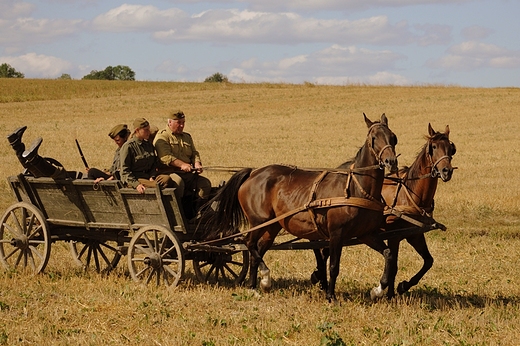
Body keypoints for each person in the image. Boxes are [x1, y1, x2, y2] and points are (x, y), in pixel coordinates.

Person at [153, 110, 211, 213]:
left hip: (188, 173)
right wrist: (182, 165)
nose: (181, 126)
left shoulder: (187, 137)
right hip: (170, 173)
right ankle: (178, 214)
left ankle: (198, 213)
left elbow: (194, 153)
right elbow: (165, 157)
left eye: (183, 122)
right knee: (178, 183)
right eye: (178, 123)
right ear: (169, 122)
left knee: (205, 183)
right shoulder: (162, 137)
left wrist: (197, 163)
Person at [120, 118, 172, 194]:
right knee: (156, 185)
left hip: (148, 177)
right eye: (146, 130)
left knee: (167, 179)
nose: (148, 132)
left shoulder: (148, 145)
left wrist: (152, 176)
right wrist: (136, 184)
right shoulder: (128, 147)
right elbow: (124, 171)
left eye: (149, 129)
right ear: (137, 130)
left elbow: (154, 164)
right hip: (136, 179)